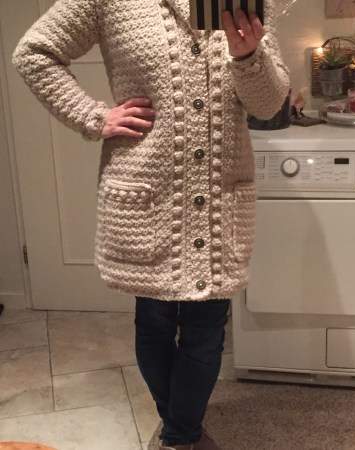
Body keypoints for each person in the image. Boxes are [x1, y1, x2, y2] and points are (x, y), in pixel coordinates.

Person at [12, 0, 289, 448]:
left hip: (219, 197)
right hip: (149, 195)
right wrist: (94, 117)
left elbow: (268, 103)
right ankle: (183, 431)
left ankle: (179, 435)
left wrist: (248, 56)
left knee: (207, 329)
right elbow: (35, 52)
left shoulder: (245, 3)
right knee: (155, 321)